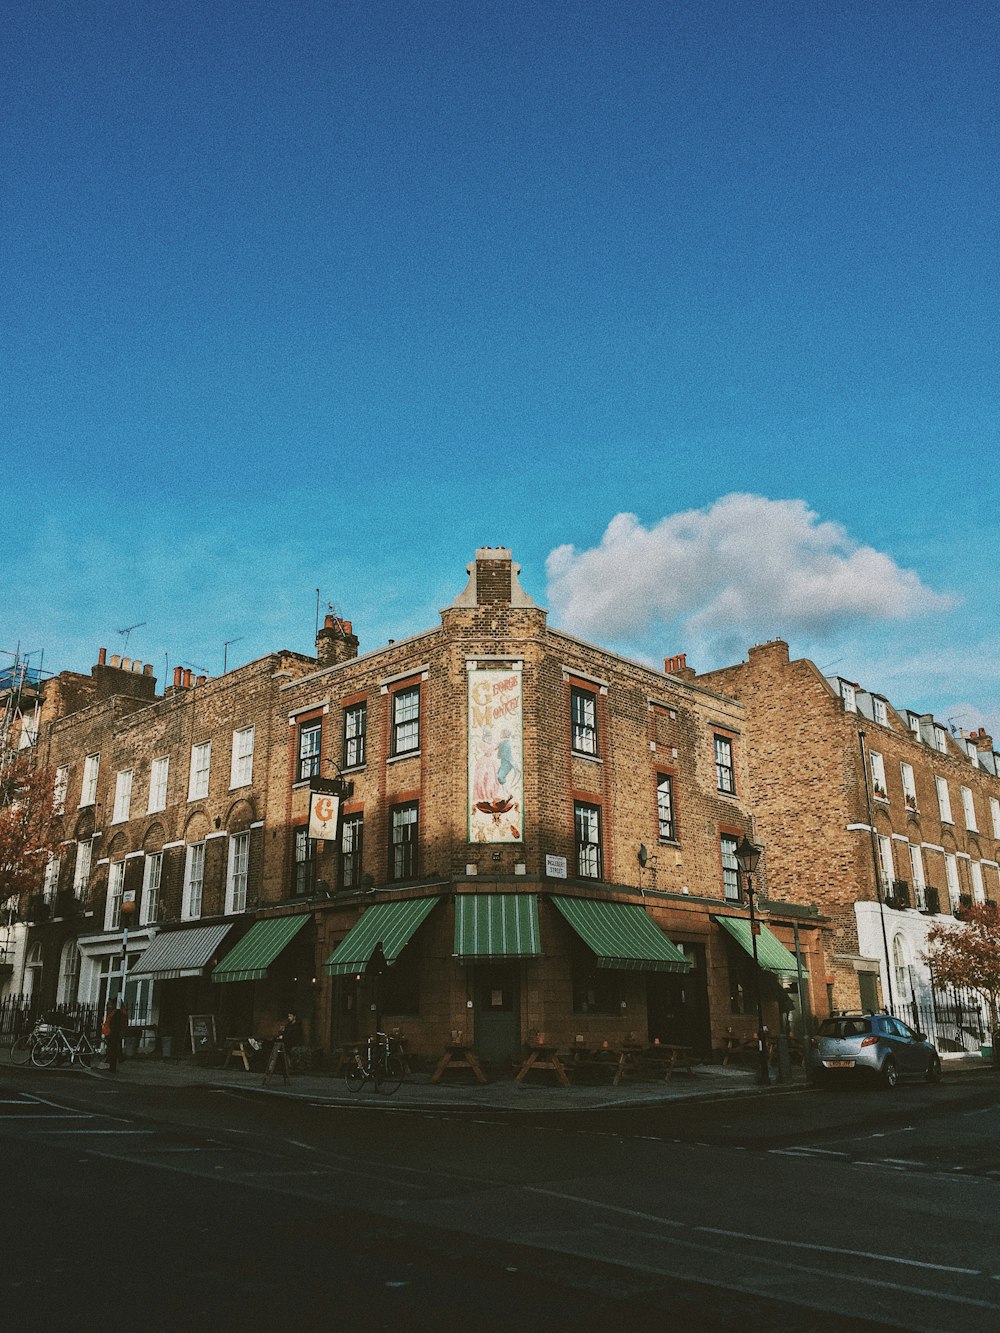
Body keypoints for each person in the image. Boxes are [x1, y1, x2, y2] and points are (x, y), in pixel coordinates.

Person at [102, 999, 128, 1074]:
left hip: (112, 1032)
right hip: (113, 1032)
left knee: (113, 1047)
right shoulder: (120, 1012)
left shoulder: (117, 1013)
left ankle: (113, 1063)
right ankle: (117, 1059)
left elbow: (113, 1023)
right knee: (115, 1046)